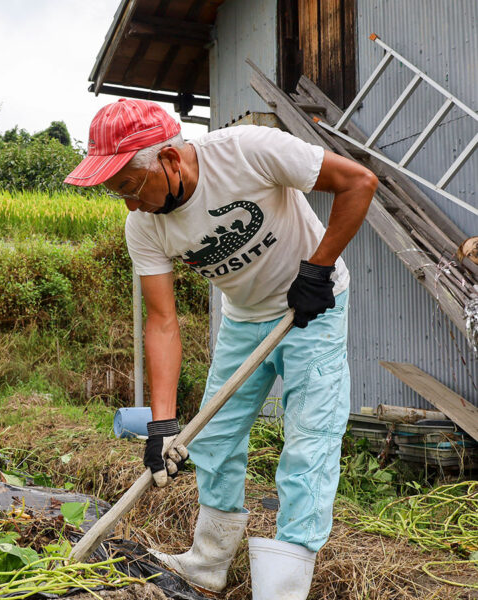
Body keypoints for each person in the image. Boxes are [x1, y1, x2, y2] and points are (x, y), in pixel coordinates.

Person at [64, 99, 377, 600]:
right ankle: (209, 564)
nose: (127, 204)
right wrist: (163, 426)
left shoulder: (248, 151)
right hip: (244, 319)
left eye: (128, 187)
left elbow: (359, 182)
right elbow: (163, 322)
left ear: (167, 160)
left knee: (308, 441)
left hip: (313, 308)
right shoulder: (144, 226)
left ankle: (285, 588)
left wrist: (318, 268)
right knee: (212, 439)